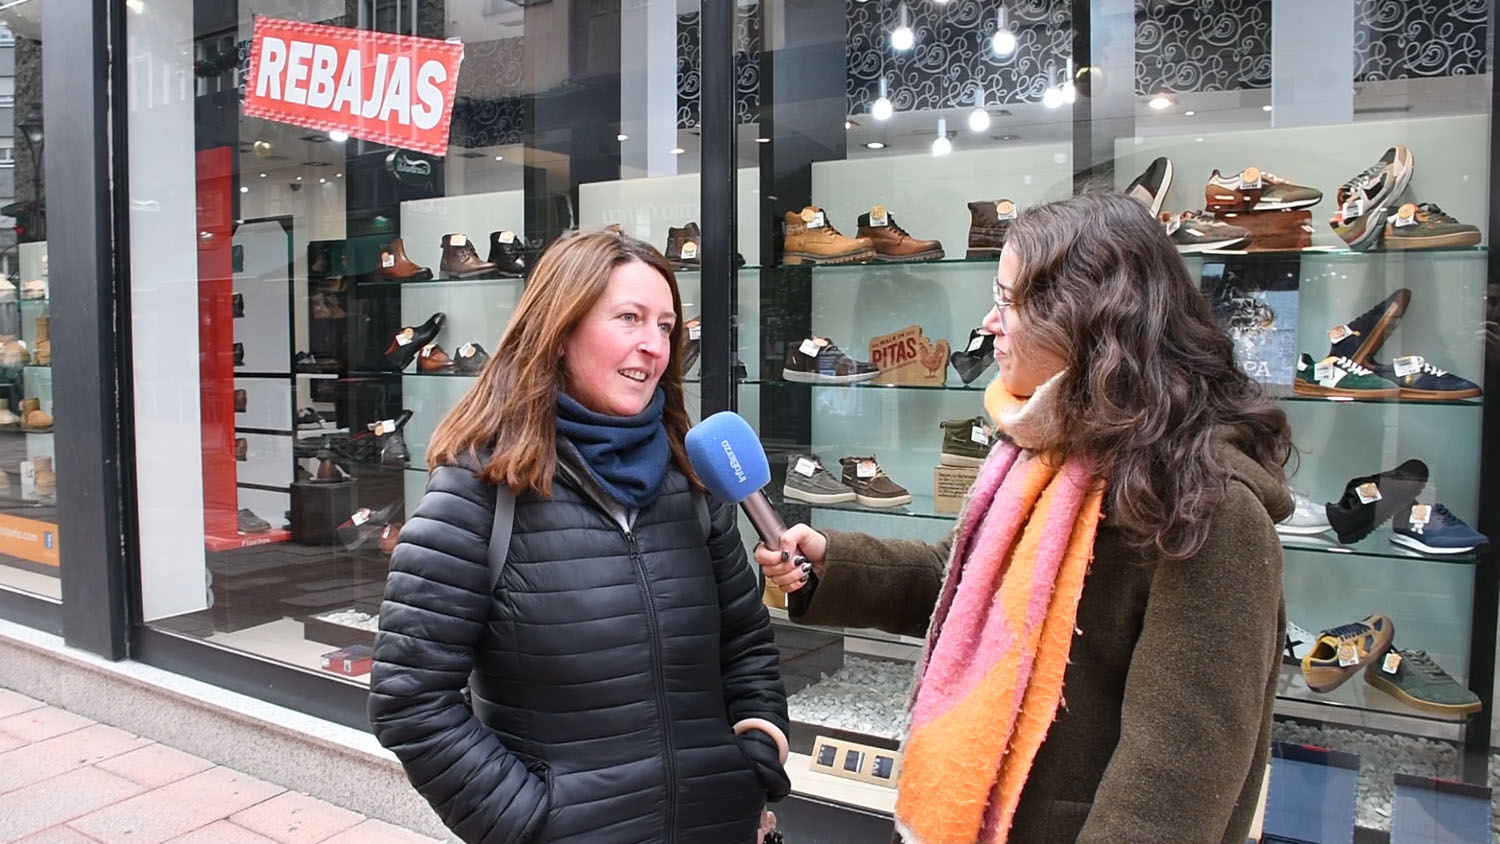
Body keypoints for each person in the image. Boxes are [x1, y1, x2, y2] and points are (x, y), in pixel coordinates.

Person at [756, 191, 1294, 844]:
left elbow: (1172, 787)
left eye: (1008, 301)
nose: (988, 323)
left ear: (1087, 317)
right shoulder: (1040, 446)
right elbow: (957, 578)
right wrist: (830, 566)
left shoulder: (1213, 509)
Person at [370, 231, 789, 844]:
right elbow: (411, 701)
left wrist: (757, 752)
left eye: (667, 326)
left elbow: (745, 642)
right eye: (629, 318)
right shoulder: (478, 491)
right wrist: (531, 822)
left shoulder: (692, 481)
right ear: (561, 332)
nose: (655, 345)